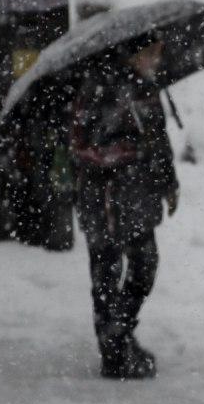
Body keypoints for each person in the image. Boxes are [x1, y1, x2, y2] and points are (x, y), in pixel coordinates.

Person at [70, 39, 179, 379]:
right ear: (133, 54)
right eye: (151, 52)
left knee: (144, 264)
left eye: (159, 52)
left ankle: (119, 334)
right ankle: (114, 351)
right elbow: (83, 146)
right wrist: (126, 152)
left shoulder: (147, 90)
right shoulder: (98, 88)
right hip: (105, 197)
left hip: (136, 196)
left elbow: (159, 140)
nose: (156, 59)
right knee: (106, 270)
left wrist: (168, 183)